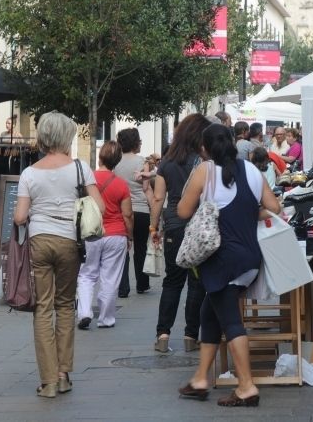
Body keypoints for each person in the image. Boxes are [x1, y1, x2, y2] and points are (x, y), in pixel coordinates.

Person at [176, 123, 281, 407]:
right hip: (249, 257)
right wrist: (248, 212)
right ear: (234, 142)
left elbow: (183, 211)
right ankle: (200, 379)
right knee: (209, 313)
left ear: (204, 149)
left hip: (223, 260)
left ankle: (246, 386)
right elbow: (275, 208)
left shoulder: (205, 171)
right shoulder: (252, 170)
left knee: (232, 321)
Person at [12, 111, 105, 398]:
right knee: (65, 306)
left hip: (40, 240)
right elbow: (99, 207)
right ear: (67, 137)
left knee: (43, 307)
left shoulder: (29, 173)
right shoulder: (80, 169)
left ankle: (48, 381)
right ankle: (64, 374)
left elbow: (19, 217)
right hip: (69, 242)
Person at [149, 114, 212, 353]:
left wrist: (154, 228)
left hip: (174, 227)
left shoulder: (166, 163)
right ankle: (190, 335)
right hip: (198, 228)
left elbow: (158, 198)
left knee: (172, 282)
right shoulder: (204, 162)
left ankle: (163, 335)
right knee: (197, 284)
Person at [76, 141, 132, 330]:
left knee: (86, 275)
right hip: (116, 235)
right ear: (117, 161)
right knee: (110, 278)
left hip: (91, 233)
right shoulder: (122, 185)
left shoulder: (87, 180)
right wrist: (129, 236)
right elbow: (127, 214)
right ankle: (106, 318)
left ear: (100, 157)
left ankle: (84, 312)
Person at [113, 128, 152, 297]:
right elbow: (146, 187)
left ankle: (123, 288)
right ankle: (142, 284)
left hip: (121, 210)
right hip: (141, 210)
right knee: (141, 247)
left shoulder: (115, 162)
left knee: (123, 249)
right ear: (135, 142)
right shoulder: (142, 161)